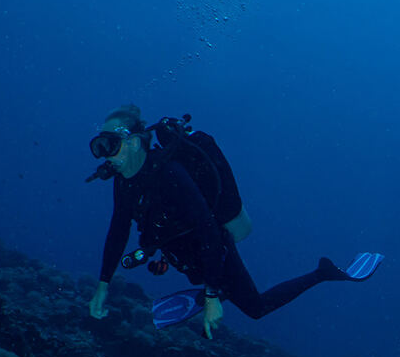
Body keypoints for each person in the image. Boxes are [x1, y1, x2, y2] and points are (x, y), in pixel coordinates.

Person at [86, 105, 377, 339]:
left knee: (256, 308)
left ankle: (322, 272)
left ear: (135, 142)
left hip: (212, 246)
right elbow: (118, 230)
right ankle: (217, 288)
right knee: (201, 278)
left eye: (110, 145)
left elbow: (208, 229)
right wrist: (103, 284)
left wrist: (211, 296)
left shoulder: (170, 173)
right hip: (179, 251)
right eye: (98, 147)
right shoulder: (123, 181)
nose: (104, 156)